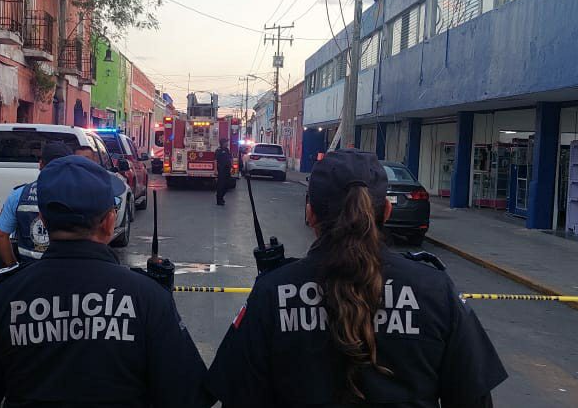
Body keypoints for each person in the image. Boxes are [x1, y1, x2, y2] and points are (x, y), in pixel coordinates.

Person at [206, 149, 507, 408]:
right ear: (386, 211)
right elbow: (473, 397)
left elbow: (238, 395)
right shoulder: (435, 290)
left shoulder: (273, 293)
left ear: (310, 214)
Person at [0, 155, 211, 407]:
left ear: (44, 221)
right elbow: (186, 395)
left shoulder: (3, 294)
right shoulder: (148, 298)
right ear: (109, 222)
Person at [0, 142, 72, 266]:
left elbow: (0, 234)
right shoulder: (79, 196)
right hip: (66, 272)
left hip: (28, 272)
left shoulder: (19, 194)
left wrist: (13, 267)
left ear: (41, 164)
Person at [215, 137, 232, 206]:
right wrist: (215, 170)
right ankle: (219, 200)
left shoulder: (227, 150)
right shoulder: (218, 150)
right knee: (221, 185)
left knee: (227, 185)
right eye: (226, 142)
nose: (227, 143)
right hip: (221, 169)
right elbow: (215, 161)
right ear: (222, 143)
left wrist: (232, 166)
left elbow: (230, 158)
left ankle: (221, 197)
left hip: (227, 169)